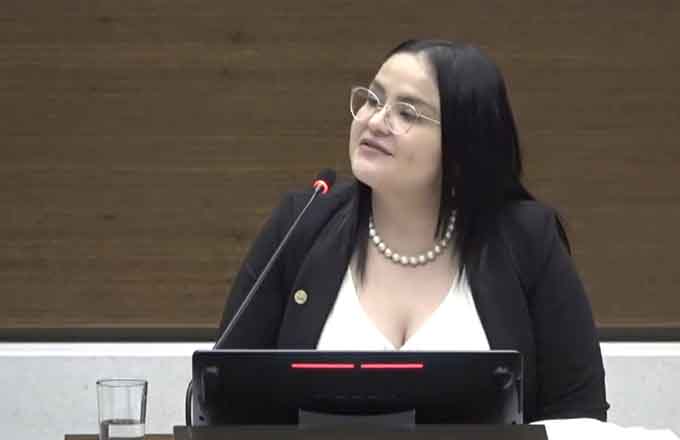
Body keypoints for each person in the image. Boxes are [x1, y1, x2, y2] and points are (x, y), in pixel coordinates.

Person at [216, 39, 609, 423]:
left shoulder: (527, 240)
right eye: (373, 99)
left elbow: (579, 414)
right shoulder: (302, 224)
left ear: (464, 142)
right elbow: (221, 394)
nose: (374, 121)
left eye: (407, 113)